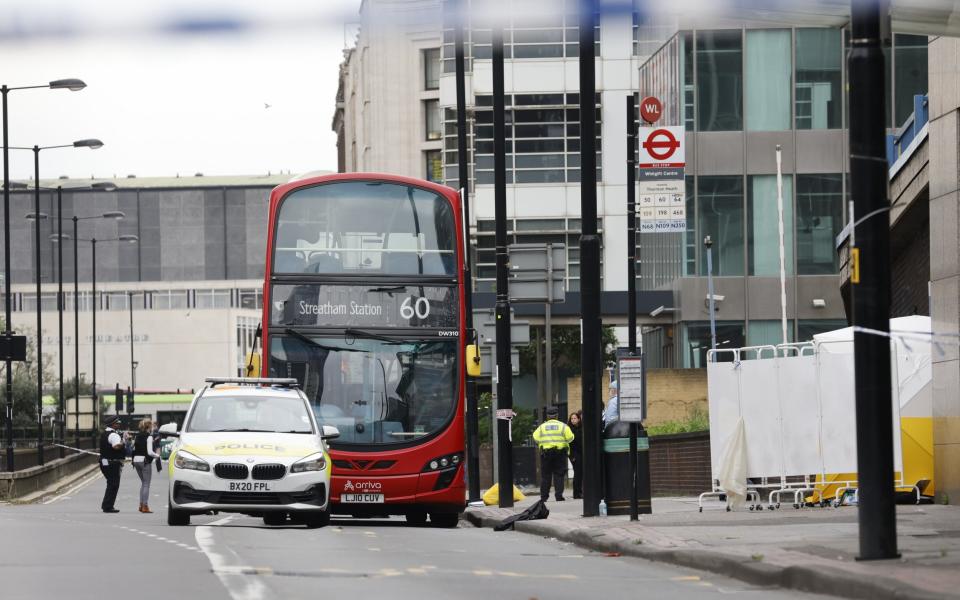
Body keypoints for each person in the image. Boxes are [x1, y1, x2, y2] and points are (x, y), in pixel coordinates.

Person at [532, 406, 574, 502]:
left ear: (547, 416)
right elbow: (570, 438)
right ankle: (558, 496)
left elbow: (535, 438)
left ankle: (544, 497)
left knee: (546, 475)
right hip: (560, 453)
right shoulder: (563, 426)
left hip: (546, 454)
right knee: (559, 475)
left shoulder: (542, 427)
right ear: (557, 415)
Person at [132, 418, 160, 513]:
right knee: (146, 484)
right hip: (144, 461)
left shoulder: (137, 436)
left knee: (143, 483)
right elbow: (150, 452)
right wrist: (157, 456)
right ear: (149, 427)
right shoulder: (149, 437)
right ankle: (145, 506)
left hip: (136, 460)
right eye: (152, 426)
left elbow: (134, 449)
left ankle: (141, 505)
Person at [99, 415, 126, 513]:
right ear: (113, 424)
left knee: (111, 483)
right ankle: (108, 506)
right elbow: (116, 447)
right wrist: (124, 442)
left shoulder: (104, 433)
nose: (119, 424)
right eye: (117, 423)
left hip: (104, 462)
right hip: (112, 463)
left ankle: (106, 505)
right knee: (113, 484)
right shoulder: (114, 435)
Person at [567, 410, 583, 499]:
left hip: (582, 453)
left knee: (581, 473)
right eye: (572, 418)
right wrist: (572, 456)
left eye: (575, 418)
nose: (573, 420)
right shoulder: (569, 429)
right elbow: (569, 444)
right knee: (577, 473)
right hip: (574, 454)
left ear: (579, 419)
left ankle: (580, 492)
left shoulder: (582, 428)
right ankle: (576, 493)